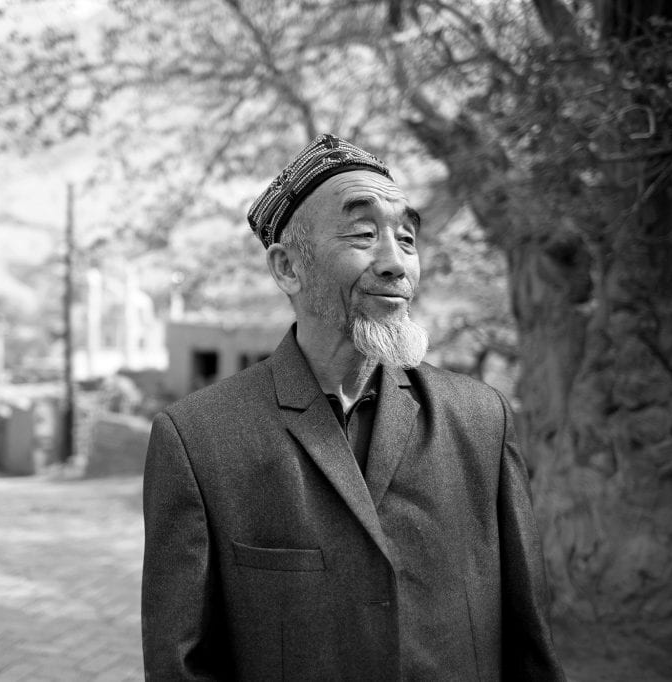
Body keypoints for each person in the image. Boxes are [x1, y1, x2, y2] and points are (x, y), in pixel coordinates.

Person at [141, 133, 565, 681]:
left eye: (407, 239)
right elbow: (182, 664)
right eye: (364, 234)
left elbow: (529, 637)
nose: (396, 264)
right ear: (289, 268)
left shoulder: (481, 418)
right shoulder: (199, 439)